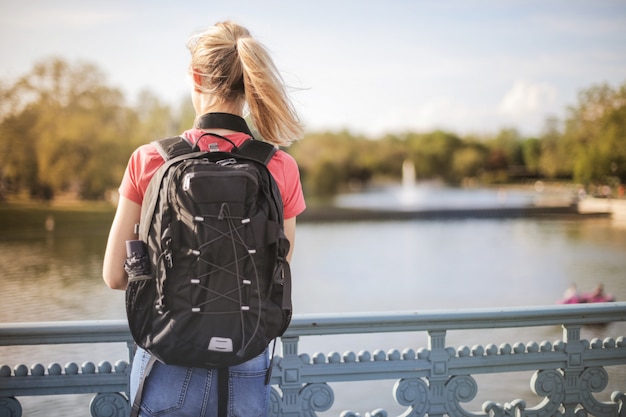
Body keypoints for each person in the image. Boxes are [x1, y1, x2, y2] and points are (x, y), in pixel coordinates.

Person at [102, 21, 306, 417]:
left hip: (167, 356)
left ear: (196, 77)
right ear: (249, 84)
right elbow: (274, 268)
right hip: (246, 356)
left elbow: (115, 275)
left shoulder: (151, 159)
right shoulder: (280, 165)